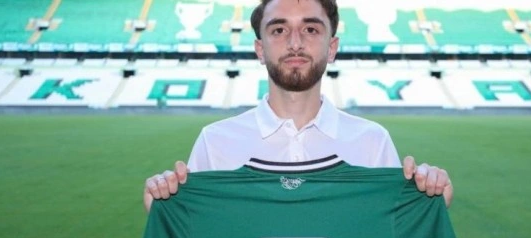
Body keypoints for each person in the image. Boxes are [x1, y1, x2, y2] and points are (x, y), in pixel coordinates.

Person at [142, 0, 453, 212]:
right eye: (279, 30)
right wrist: (165, 203)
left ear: (332, 48)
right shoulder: (215, 142)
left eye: (310, 29)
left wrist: (428, 197)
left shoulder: (372, 142)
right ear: (259, 49)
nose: (295, 43)